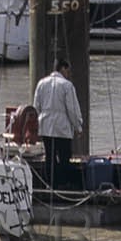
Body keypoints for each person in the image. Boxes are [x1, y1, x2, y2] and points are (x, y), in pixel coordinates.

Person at [32, 57, 83, 191]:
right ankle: (62, 184)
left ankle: (50, 184)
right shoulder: (67, 85)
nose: (68, 73)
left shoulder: (41, 83)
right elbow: (72, 109)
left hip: (46, 126)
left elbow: (36, 106)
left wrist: (37, 125)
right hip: (62, 126)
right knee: (64, 156)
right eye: (68, 70)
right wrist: (78, 126)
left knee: (50, 156)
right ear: (63, 68)